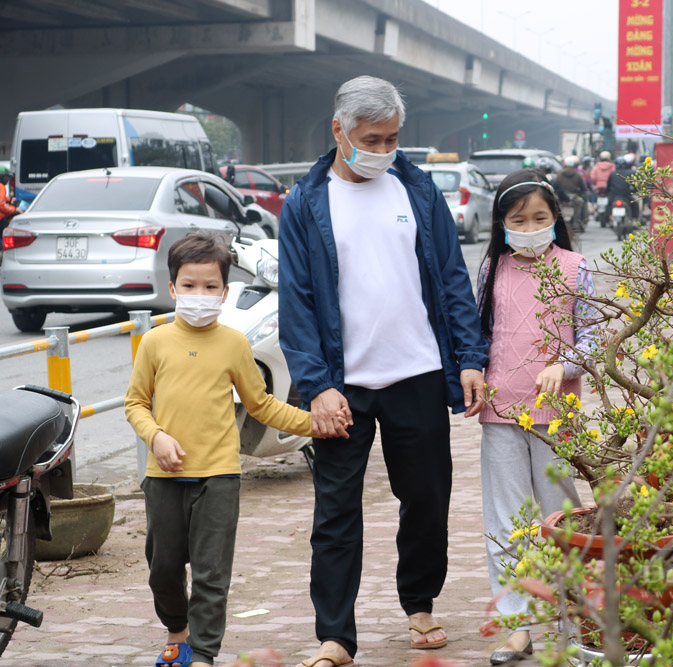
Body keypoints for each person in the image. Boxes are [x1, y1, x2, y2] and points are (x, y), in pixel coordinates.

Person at [277, 75, 489, 667]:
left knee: (426, 498)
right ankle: (335, 637)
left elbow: (451, 279)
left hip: (417, 372)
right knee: (336, 511)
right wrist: (317, 386)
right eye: (372, 138)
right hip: (342, 385)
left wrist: (468, 357)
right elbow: (295, 303)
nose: (383, 149)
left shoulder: (416, 192)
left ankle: (418, 601)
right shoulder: (304, 204)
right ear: (339, 130)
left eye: (393, 137)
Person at [124, 232, 319, 667]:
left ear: (225, 292)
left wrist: (313, 424)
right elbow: (136, 403)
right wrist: (156, 436)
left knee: (212, 574)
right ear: (173, 289)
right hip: (163, 477)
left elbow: (261, 403)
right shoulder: (155, 342)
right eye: (189, 286)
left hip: (219, 478)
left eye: (210, 287)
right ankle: (178, 629)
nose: (199, 295)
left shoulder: (234, 344)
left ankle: (203, 654)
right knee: (163, 569)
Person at [475, 169, 596, 665]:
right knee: (505, 523)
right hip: (500, 412)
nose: (528, 227)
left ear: (555, 219)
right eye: (517, 219)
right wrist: (473, 376)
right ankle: (517, 627)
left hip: (555, 417)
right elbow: (480, 338)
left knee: (564, 521)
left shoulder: (576, 267)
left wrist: (562, 365)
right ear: (502, 223)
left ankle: (573, 623)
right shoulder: (492, 269)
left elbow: (593, 341)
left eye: (539, 218)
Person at [0, 167, 21, 236]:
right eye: (7, 177)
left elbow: (2, 199)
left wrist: (9, 199)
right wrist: (14, 209)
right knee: (9, 233)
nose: (8, 180)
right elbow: (1, 204)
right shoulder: (1, 187)